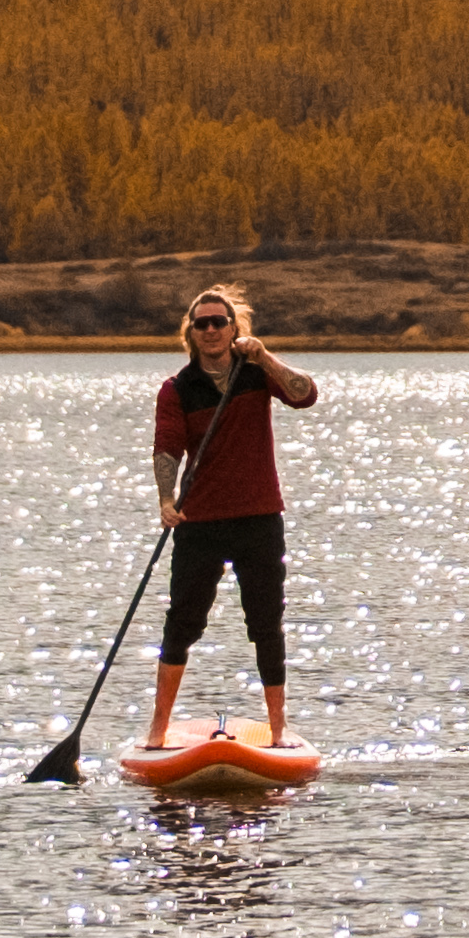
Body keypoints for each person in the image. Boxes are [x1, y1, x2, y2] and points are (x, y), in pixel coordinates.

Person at [145, 285, 320, 749]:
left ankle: (278, 730)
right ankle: (157, 731)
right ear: (190, 332)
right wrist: (167, 501)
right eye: (200, 323)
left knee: (266, 623)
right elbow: (167, 448)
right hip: (199, 522)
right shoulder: (178, 389)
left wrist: (264, 357)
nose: (209, 330)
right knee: (182, 622)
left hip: (259, 519)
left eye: (217, 322)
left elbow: (305, 395)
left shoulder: (256, 374)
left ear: (233, 328)